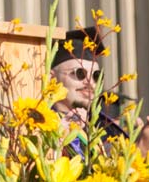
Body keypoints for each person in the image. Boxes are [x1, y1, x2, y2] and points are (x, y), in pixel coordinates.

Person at [51, 27, 149, 157]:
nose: (90, 82)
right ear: (52, 78)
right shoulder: (40, 125)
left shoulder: (108, 129)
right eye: (80, 73)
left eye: (96, 75)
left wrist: (142, 145)